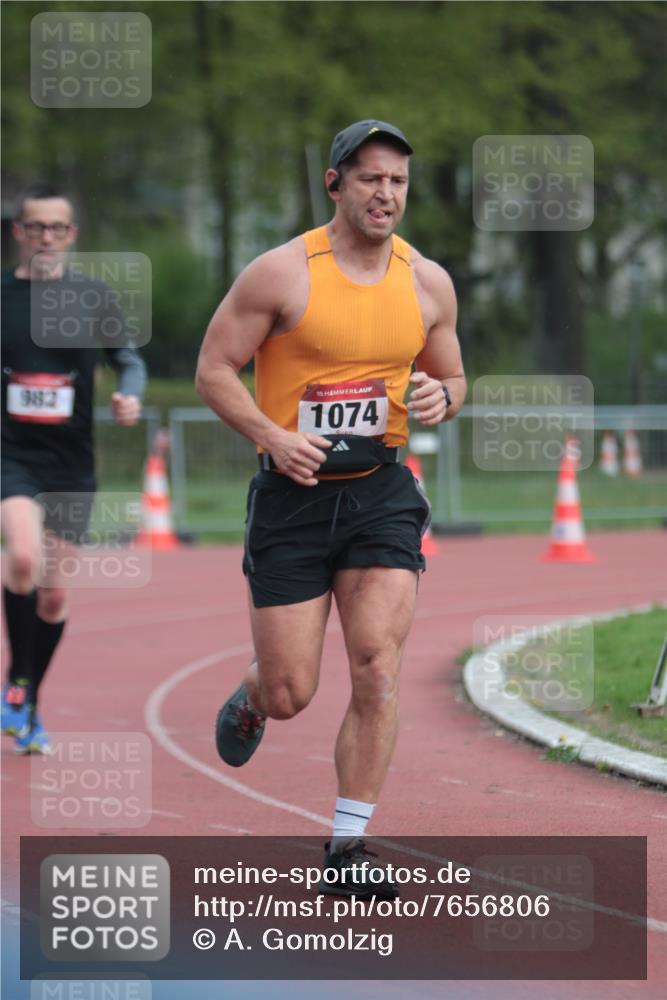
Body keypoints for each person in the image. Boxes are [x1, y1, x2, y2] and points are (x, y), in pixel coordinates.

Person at [195, 120, 466, 896]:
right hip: (292, 498)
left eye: (398, 182)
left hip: (380, 491)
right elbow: (213, 369)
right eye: (371, 178)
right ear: (335, 184)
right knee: (291, 693)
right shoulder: (280, 274)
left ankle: (346, 849)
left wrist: (438, 396)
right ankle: (252, 695)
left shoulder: (426, 282)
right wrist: (272, 437)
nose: (386, 194)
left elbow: (452, 380)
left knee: (377, 664)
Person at [1, 184, 147, 753]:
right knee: (20, 558)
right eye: (35, 227)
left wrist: (129, 395)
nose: (46, 238)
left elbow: (128, 360)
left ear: (71, 236)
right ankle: (18, 686)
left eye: (57, 229)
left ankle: (27, 700)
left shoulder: (93, 297)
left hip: (71, 463)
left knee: (54, 597)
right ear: (18, 232)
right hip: (11, 456)